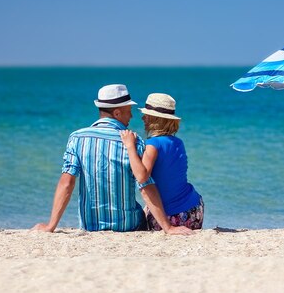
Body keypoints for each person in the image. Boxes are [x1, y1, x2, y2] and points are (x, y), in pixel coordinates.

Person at [32, 84, 194, 235]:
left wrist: (50, 226)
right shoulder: (134, 141)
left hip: (90, 226)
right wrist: (167, 227)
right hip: (129, 226)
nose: (132, 115)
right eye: (129, 110)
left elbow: (67, 182)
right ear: (117, 113)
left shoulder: (76, 138)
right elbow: (144, 186)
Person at [120, 93, 204, 230]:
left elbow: (142, 177)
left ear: (155, 119)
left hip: (174, 215)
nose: (142, 118)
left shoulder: (153, 144)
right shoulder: (178, 142)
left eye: (146, 115)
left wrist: (130, 146)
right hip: (195, 207)